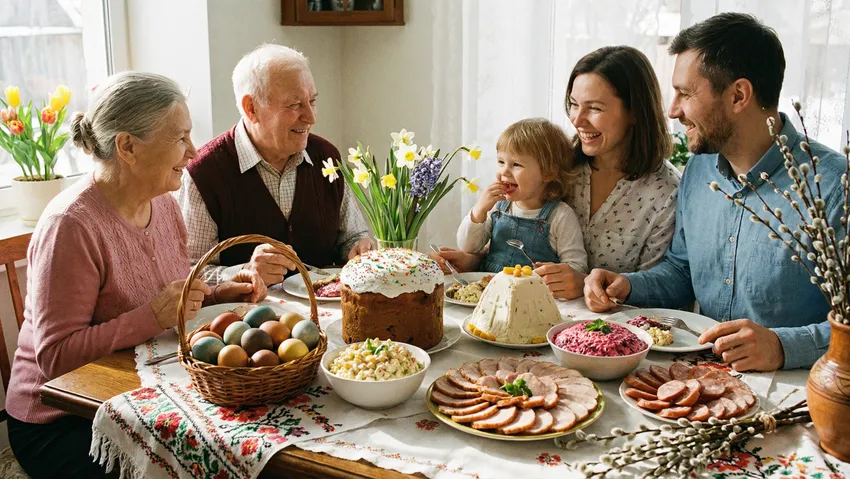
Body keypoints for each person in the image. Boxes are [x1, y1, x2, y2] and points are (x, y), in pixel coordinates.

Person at [5, 72, 266, 479]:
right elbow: (56, 358)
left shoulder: (163, 203)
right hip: (60, 421)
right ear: (127, 146)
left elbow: (165, 296)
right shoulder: (70, 225)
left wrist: (215, 294)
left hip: (130, 394)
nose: (193, 152)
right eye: (180, 138)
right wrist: (153, 316)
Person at [584, 13, 844, 372]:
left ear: (738, 95)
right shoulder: (699, 170)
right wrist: (627, 285)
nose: (673, 110)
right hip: (699, 383)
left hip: (798, 398)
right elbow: (681, 272)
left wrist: (783, 347)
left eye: (685, 94)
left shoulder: (832, 188)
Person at [435, 46, 679, 299]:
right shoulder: (557, 168)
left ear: (635, 112)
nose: (577, 120)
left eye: (594, 108)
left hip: (609, 327)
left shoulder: (665, 192)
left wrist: (583, 283)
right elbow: (515, 234)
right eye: (574, 105)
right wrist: (473, 261)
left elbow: (659, 289)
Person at [175, 44, 372, 287]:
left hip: (326, 311)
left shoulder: (326, 157)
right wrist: (244, 271)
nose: (311, 117)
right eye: (295, 104)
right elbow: (190, 273)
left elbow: (353, 237)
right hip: (249, 319)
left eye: (312, 101)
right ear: (252, 108)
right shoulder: (204, 174)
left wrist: (358, 249)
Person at [456, 118, 587, 273]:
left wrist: (555, 272)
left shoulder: (560, 216)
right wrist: (479, 211)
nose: (504, 171)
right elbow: (467, 247)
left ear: (548, 173)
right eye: (501, 162)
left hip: (533, 293)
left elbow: (578, 267)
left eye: (516, 164)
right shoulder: (498, 206)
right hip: (490, 287)